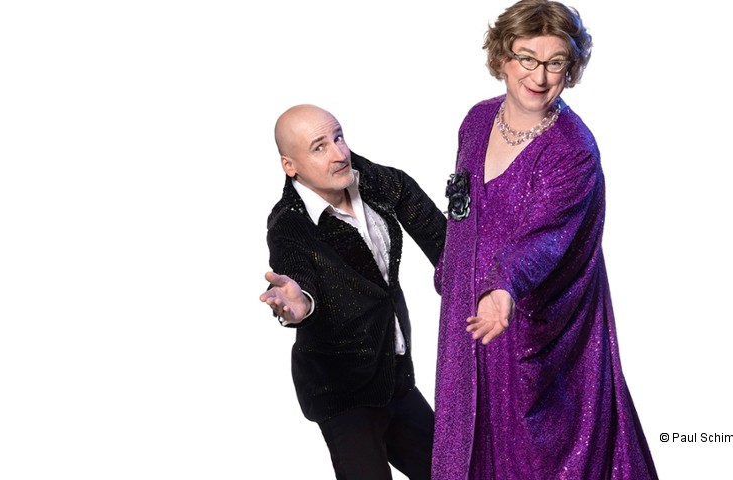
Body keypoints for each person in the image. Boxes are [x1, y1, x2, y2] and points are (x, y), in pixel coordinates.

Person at [430, 1, 658, 478]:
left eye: (555, 62)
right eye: (527, 58)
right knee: (464, 438)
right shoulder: (476, 121)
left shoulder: (572, 149)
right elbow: (462, 208)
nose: (539, 76)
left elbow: (546, 238)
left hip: (534, 328)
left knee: (533, 456)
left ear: (570, 68)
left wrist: (503, 287)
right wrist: (452, 272)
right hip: (469, 316)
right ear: (502, 58)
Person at [259, 104, 446, 480]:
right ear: (290, 166)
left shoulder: (377, 183)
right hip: (341, 392)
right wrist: (299, 303)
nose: (339, 153)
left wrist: (492, 284)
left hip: (394, 375)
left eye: (339, 137)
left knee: (453, 471)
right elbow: (297, 276)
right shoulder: (289, 225)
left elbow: (443, 242)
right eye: (319, 147)